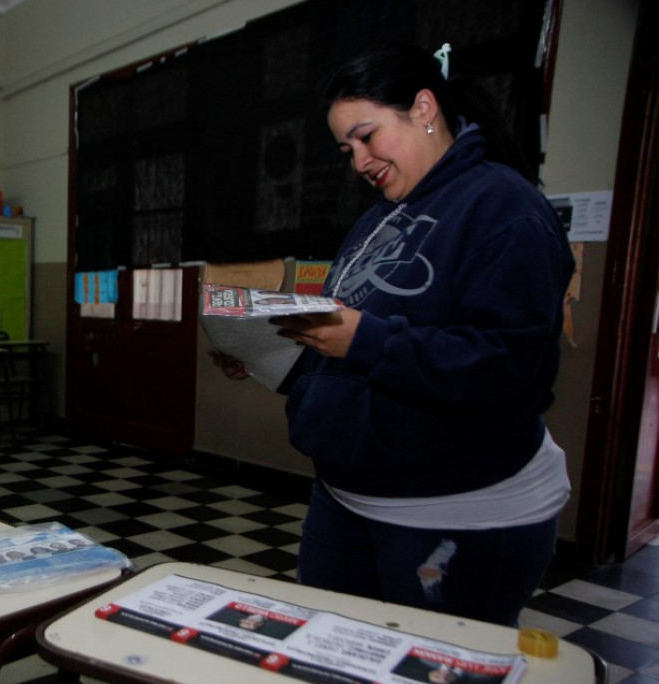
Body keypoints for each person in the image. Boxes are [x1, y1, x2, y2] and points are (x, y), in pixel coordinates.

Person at [217, 44, 574, 627]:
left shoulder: (504, 208)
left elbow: (508, 365)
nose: (358, 161)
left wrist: (365, 341)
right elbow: (352, 339)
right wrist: (269, 355)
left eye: (366, 136)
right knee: (332, 672)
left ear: (424, 107)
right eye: (345, 149)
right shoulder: (377, 218)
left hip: (458, 512)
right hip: (345, 497)